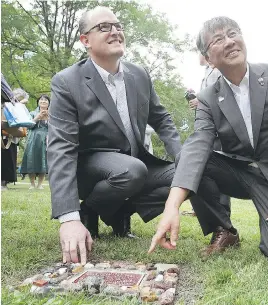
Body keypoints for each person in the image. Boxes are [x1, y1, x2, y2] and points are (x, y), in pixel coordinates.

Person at [149, 16, 268, 262]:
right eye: (218, 39)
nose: (229, 42)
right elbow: (198, 146)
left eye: (233, 33)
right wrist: (172, 206)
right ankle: (224, 230)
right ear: (208, 59)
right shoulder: (208, 97)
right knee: (188, 157)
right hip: (241, 173)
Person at [48, 6, 182, 265]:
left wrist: (184, 158)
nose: (115, 31)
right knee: (131, 170)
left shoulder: (139, 74)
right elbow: (60, 148)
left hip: (135, 165)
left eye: (118, 26)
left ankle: (113, 210)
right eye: (104, 27)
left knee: (187, 174)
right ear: (85, 40)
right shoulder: (66, 82)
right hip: (92, 169)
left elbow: (162, 119)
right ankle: (86, 210)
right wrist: (68, 217)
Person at [187, 53, 232, 229]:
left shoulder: (217, 71)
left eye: (198, 52)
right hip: (207, 130)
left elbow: (221, 96)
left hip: (217, 132)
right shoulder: (207, 72)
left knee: (218, 175)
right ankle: (218, 222)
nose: (197, 56)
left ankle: (224, 225)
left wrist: (201, 100)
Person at [1, 75, 26, 190]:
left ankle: (4, 182)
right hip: (5, 133)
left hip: (11, 135)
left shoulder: (19, 108)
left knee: (8, 158)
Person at [20, 95, 49, 189]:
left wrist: (49, 118)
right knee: (31, 159)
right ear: (38, 102)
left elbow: (55, 127)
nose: (43, 101)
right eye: (41, 99)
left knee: (43, 160)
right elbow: (28, 125)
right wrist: (37, 117)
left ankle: (40, 184)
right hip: (33, 138)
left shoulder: (52, 113)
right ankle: (32, 184)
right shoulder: (32, 113)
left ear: (49, 103)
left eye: (46, 100)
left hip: (46, 139)